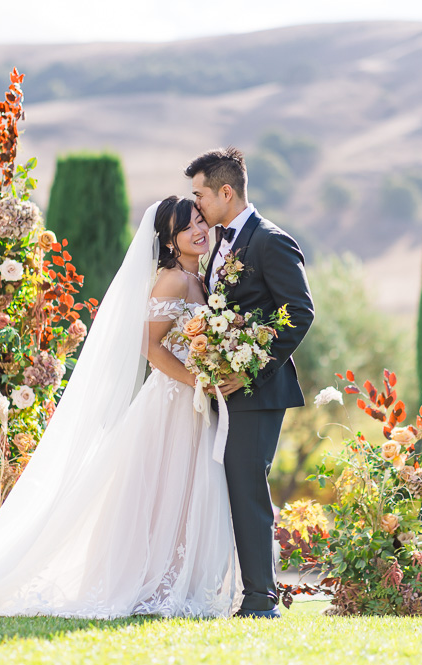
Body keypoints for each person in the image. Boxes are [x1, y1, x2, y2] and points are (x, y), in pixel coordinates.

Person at [0, 197, 242, 618]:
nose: (199, 231)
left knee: (188, 492)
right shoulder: (171, 280)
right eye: (189, 227)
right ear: (170, 241)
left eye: (200, 222)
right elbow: (150, 348)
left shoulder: (203, 277)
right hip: (171, 403)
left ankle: (179, 581)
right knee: (161, 493)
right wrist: (197, 379)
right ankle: (153, 584)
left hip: (194, 404)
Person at [186, 147, 315, 618]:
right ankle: (235, 589)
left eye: (199, 194)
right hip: (223, 388)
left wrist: (250, 369)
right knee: (228, 485)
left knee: (247, 486)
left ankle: (261, 598)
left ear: (226, 191)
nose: (195, 204)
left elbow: (300, 312)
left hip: (258, 392)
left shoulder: (271, 241)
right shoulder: (220, 242)